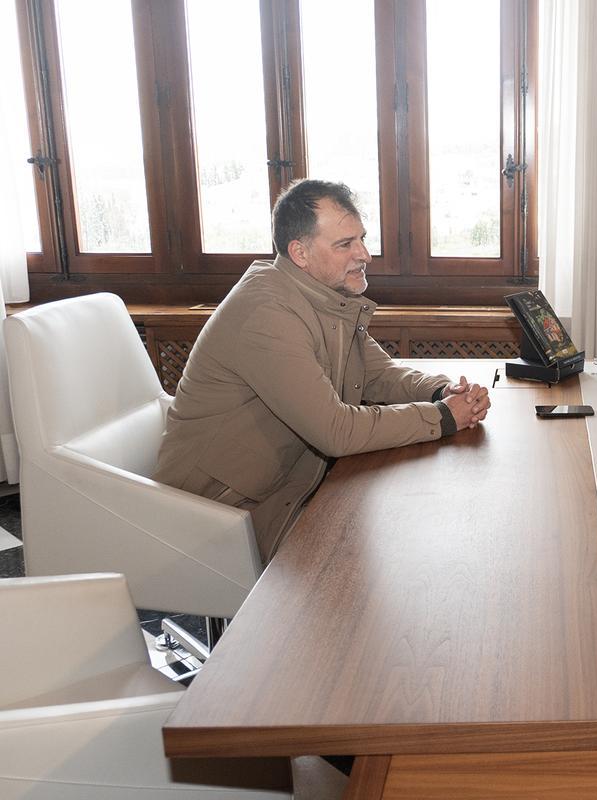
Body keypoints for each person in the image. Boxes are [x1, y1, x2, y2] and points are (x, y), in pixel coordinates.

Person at [154, 179, 490, 561]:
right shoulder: (268, 313)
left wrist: (441, 392)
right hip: (216, 513)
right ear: (300, 252)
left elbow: (379, 373)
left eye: (362, 239)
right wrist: (444, 418)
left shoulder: (322, 296)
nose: (364, 254)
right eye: (345, 244)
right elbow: (336, 430)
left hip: (286, 486)